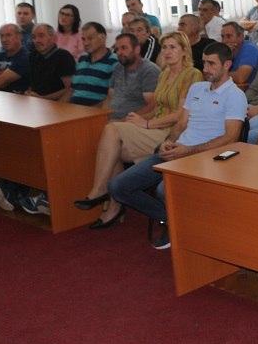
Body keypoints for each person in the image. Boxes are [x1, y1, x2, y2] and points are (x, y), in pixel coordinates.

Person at [108, 42, 246, 250]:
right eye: (204, 63)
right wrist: (168, 142)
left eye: (211, 64)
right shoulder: (197, 88)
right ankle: (172, 219)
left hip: (205, 156)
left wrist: (188, 151)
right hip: (178, 150)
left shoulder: (235, 96)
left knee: (164, 189)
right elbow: (181, 124)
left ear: (227, 65)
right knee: (118, 186)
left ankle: (175, 222)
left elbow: (231, 137)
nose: (205, 69)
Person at [74, 32, 201, 229]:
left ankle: (102, 192)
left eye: (173, 47)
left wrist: (146, 124)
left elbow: (180, 115)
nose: (167, 52)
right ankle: (112, 204)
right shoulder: (165, 73)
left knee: (112, 134)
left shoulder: (192, 74)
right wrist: (137, 119)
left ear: (184, 51)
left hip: (172, 132)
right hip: (155, 125)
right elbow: (157, 108)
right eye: (164, 47)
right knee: (113, 143)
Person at [100, 33, 159, 120]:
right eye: (117, 49)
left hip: (132, 122)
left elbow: (152, 106)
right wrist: (101, 117)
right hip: (111, 119)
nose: (119, 53)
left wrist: (123, 121)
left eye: (124, 48)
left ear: (137, 49)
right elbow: (109, 98)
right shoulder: (118, 67)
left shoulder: (149, 70)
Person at [70, 22, 119, 107]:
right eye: (83, 39)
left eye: (90, 38)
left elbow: (113, 97)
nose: (86, 43)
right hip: (73, 110)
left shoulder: (115, 61)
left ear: (103, 38)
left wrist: (89, 112)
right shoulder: (82, 60)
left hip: (96, 112)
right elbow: (71, 90)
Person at [25, 24, 76, 101]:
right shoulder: (33, 55)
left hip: (56, 103)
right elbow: (32, 85)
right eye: (33, 37)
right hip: (35, 102)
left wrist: (43, 99)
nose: (36, 40)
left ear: (53, 38)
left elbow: (70, 89)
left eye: (41, 36)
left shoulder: (63, 56)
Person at [221, 21, 258, 89]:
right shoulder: (229, 51)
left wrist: (219, 74)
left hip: (252, 92)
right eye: (222, 37)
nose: (224, 41)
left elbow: (240, 78)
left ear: (240, 36)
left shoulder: (250, 49)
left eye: (229, 36)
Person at [0, 23, 30, 93]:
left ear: (19, 36)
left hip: (14, 98)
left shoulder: (25, 57)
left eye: (8, 35)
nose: (4, 40)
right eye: (2, 36)